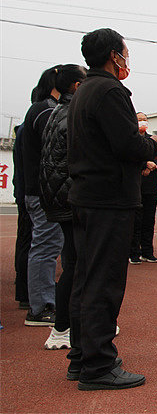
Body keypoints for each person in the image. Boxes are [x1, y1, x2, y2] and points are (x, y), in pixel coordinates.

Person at [67, 28, 157, 390]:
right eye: (125, 52)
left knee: (85, 279)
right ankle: (98, 365)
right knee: (103, 282)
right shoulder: (109, 91)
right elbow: (127, 144)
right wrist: (151, 146)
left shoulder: (84, 91)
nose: (127, 59)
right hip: (107, 200)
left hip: (88, 196)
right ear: (113, 54)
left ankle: (81, 357)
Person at [39, 64, 87, 350]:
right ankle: (64, 326)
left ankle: (68, 325)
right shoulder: (72, 114)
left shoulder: (57, 111)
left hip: (60, 197)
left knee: (73, 262)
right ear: (77, 87)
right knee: (76, 265)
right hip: (70, 199)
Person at [22, 66, 64, 326]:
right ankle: (40, 308)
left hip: (41, 191)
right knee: (45, 248)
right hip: (43, 192)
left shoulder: (42, 108)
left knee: (47, 248)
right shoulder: (46, 111)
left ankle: (43, 302)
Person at [129, 112, 157, 264]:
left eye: (145, 120)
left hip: (151, 186)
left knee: (149, 220)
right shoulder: (132, 140)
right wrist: (144, 164)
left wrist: (151, 165)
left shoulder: (153, 140)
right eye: (139, 120)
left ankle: (147, 252)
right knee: (135, 221)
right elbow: (131, 157)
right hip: (135, 186)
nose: (143, 122)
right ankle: (133, 253)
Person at [12, 122, 32, 311]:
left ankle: (24, 287)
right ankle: (26, 292)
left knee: (27, 241)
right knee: (33, 244)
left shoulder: (25, 128)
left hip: (24, 191)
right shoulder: (33, 125)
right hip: (31, 194)